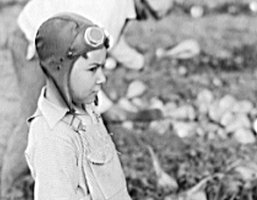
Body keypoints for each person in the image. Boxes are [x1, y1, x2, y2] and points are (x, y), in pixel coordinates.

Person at [1, 0, 173, 198]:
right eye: (149, 15)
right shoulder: (110, 9)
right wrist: (107, 107)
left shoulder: (117, 10)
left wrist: (139, 61)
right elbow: (78, 63)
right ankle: (5, 188)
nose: (145, 20)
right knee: (33, 120)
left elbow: (109, 39)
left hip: (60, 44)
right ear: (144, 5)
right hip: (31, 39)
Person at [25, 12, 132, 200]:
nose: (102, 78)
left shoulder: (85, 106)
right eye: (92, 69)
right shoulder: (53, 138)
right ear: (60, 70)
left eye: (102, 67)